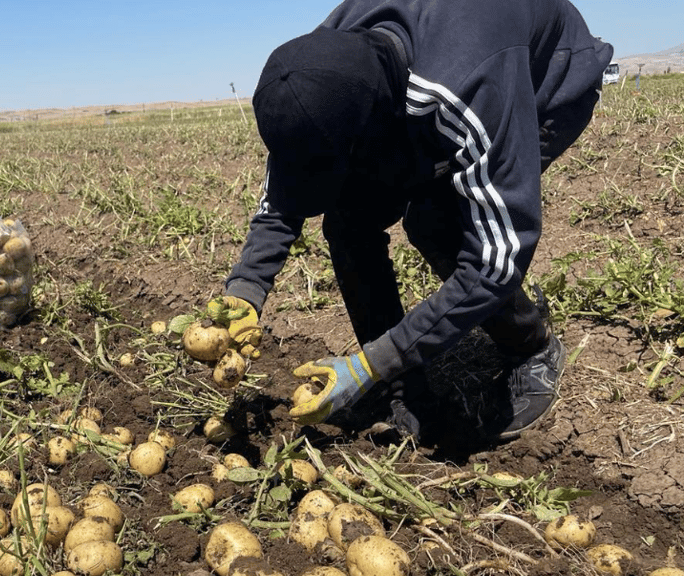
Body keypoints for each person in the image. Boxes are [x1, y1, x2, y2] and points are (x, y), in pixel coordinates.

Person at [216, 0, 612, 442]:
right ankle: (403, 389)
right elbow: (291, 176)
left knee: (437, 221)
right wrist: (245, 291)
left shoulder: (469, 89)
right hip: (419, 88)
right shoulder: (321, 66)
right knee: (349, 222)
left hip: (543, 80)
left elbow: (495, 261)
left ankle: (532, 348)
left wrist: (371, 363)